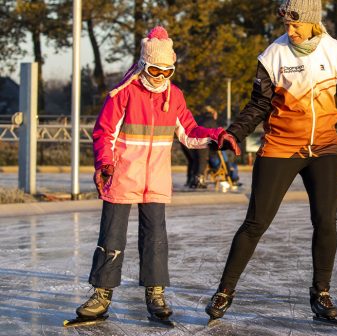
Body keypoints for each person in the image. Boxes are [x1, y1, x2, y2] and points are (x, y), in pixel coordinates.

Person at [204, 0, 337, 325]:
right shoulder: (273, 56)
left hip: (324, 148)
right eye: (286, 25)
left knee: (326, 222)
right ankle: (224, 291)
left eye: (295, 25)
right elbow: (258, 105)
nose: (289, 31)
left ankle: (321, 293)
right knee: (256, 223)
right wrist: (234, 133)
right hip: (281, 146)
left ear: (312, 23)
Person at [74, 26, 240, 324]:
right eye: (155, 69)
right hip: (122, 176)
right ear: (142, 64)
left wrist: (217, 136)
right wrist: (105, 163)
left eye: (168, 71)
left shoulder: (173, 96)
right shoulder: (123, 93)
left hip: (156, 178)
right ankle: (101, 294)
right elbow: (104, 133)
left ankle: (155, 293)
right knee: (112, 235)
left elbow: (189, 132)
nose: (161, 77)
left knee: (156, 239)